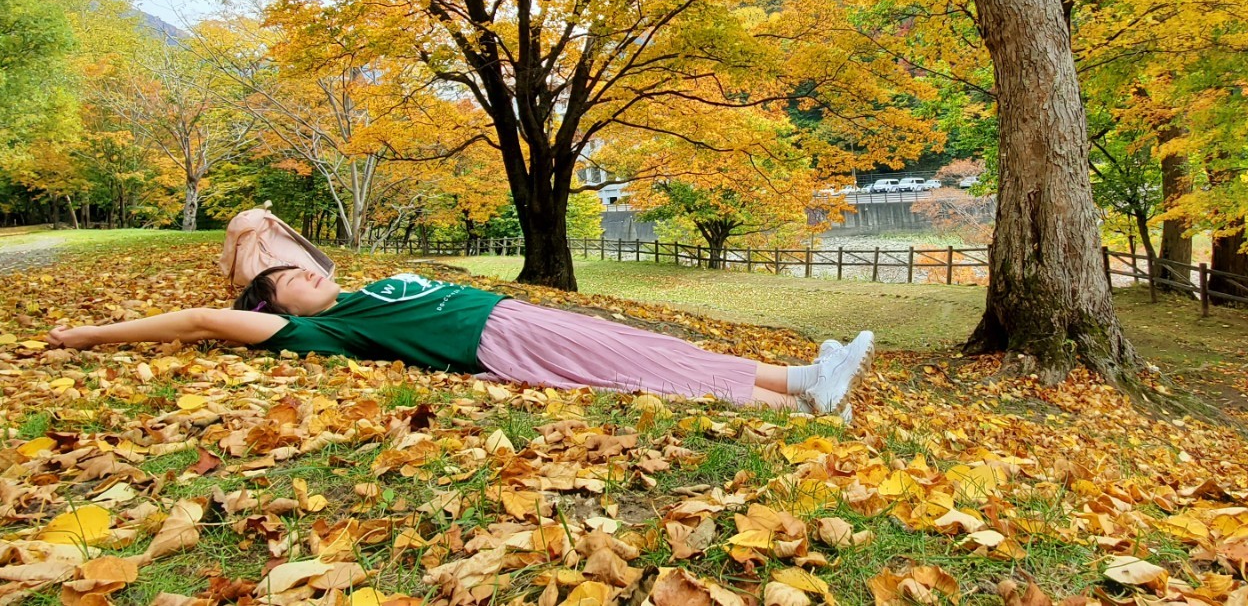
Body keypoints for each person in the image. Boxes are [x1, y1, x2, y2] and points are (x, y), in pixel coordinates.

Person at [46, 207, 873, 417]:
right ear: (269, 300)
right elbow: (198, 318)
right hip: (496, 341)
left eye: (305, 263)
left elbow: (271, 227)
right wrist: (86, 334)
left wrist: (276, 236)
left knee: (650, 342)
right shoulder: (308, 328)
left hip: (509, 313)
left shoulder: (356, 289)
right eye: (286, 276)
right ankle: (803, 394)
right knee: (648, 368)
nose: (304, 273)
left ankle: (805, 385)